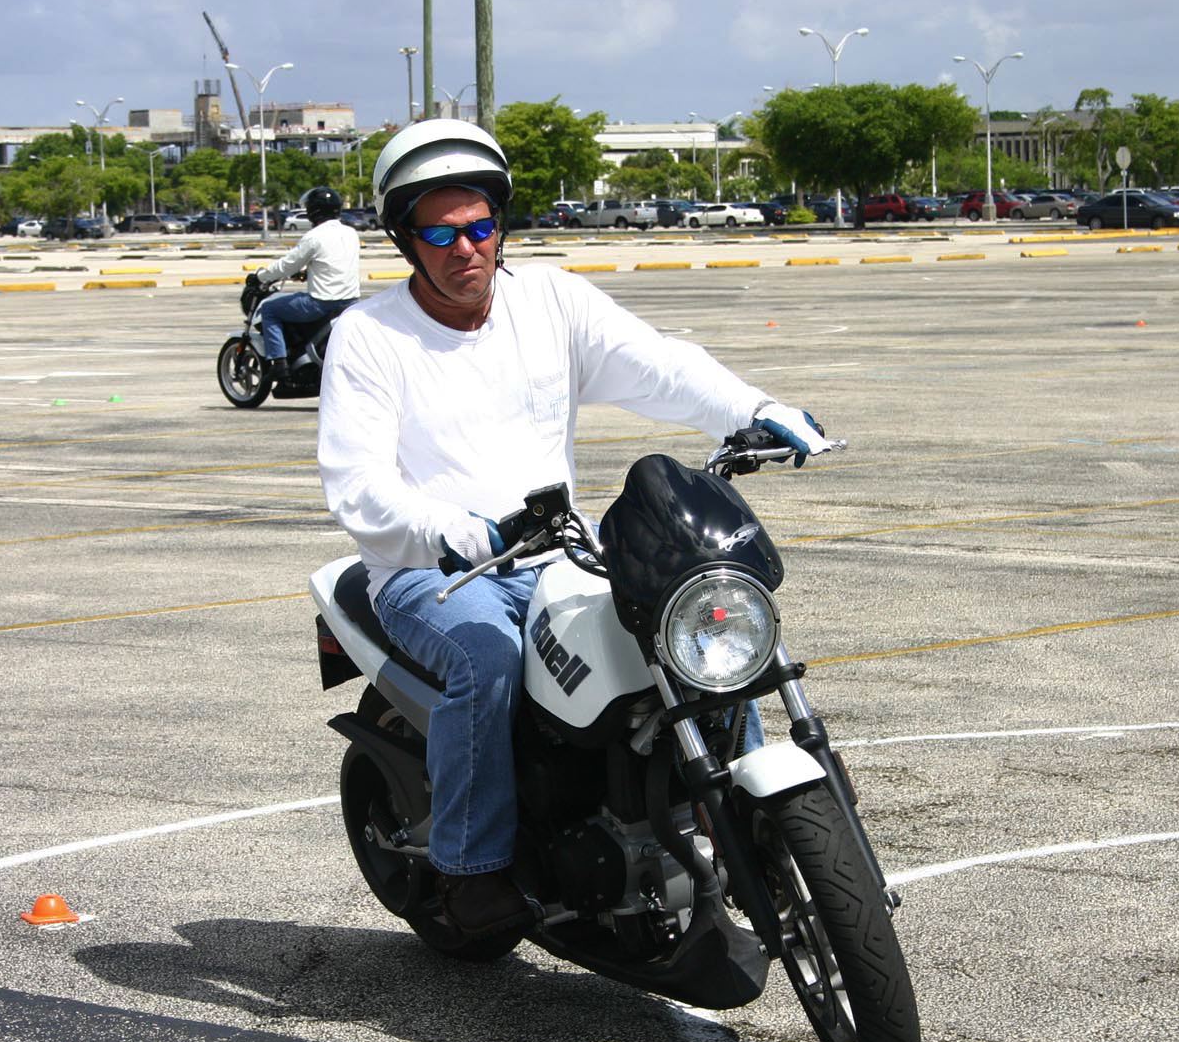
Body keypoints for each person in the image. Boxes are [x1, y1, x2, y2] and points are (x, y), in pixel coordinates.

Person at [315, 120, 831, 936]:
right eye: (440, 234)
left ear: (501, 224)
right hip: (432, 571)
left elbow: (659, 365)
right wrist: (456, 531)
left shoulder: (549, 300)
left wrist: (754, 408)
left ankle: (741, 813)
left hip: (560, 548)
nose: (465, 249)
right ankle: (471, 869)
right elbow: (359, 486)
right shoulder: (370, 336)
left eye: (479, 227)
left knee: (691, 626)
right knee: (486, 656)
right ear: (405, 240)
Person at [247, 186, 359, 378]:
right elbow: (334, 262)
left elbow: (287, 265)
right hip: (350, 302)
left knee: (269, 309)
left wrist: (260, 277)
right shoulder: (350, 233)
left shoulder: (314, 236)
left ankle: (279, 363)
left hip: (320, 304)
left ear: (313, 211)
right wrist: (308, 273)